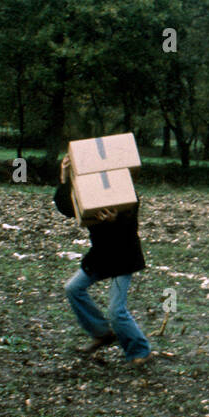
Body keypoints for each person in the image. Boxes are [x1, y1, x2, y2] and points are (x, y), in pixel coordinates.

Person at [54, 155, 153, 365]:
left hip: (123, 256)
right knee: (73, 288)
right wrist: (64, 177)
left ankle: (141, 350)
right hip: (100, 255)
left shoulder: (125, 191)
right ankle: (101, 333)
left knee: (116, 311)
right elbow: (66, 208)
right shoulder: (86, 190)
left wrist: (114, 220)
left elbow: (129, 225)